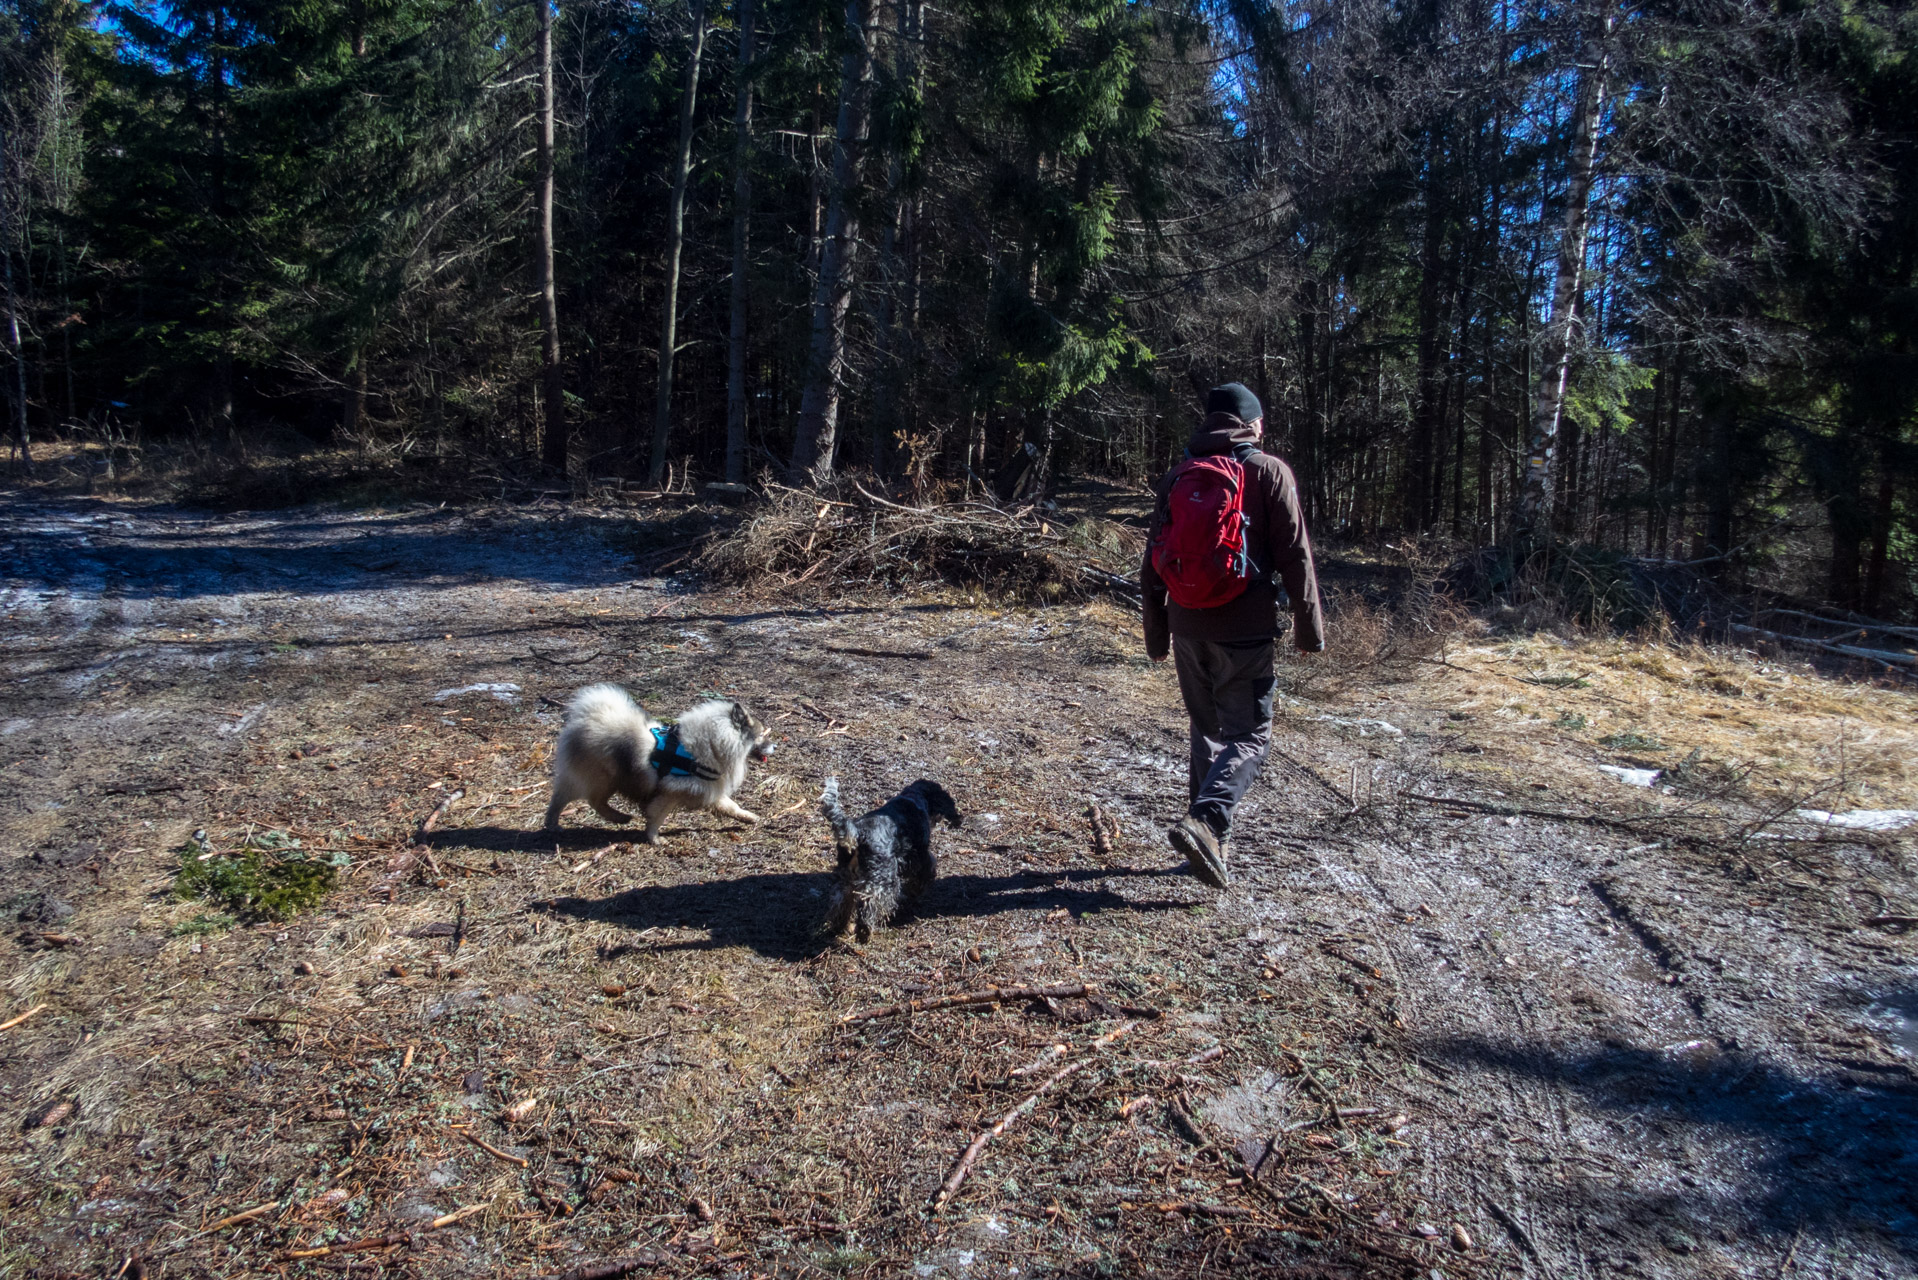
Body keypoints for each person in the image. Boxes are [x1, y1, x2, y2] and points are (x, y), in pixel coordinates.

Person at [1140, 382, 1324, 887]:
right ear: (1252, 423)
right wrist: (1310, 628)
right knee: (1249, 735)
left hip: (1186, 623)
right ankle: (1208, 822)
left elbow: (1151, 559)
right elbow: (1295, 554)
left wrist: (1156, 632)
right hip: (1244, 626)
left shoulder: (1179, 474)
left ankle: (1206, 847)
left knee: (1206, 730)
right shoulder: (1267, 471)